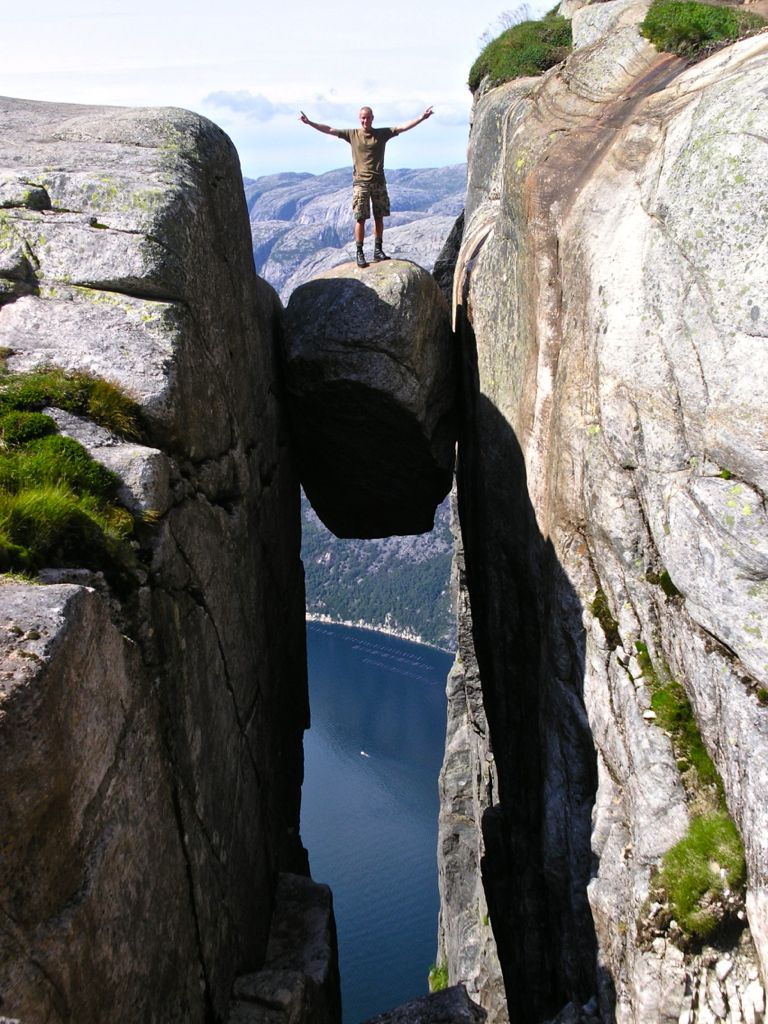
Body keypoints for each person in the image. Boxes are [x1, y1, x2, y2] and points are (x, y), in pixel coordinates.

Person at [299, 105, 434, 268]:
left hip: (378, 182)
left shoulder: (382, 134)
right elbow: (329, 129)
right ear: (359, 118)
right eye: (362, 118)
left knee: (379, 217)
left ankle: (378, 250)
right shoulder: (352, 134)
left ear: (372, 118)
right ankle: (360, 252)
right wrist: (310, 123)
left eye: (368, 117)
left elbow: (402, 127)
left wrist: (421, 117)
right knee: (361, 218)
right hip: (361, 183)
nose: (365, 120)